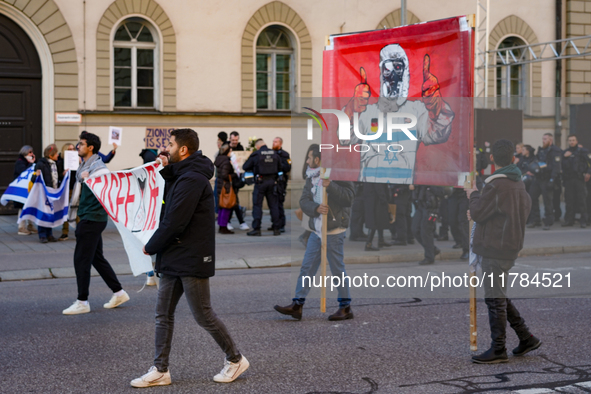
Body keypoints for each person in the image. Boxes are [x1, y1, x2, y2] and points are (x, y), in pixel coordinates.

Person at [133, 129, 248, 388]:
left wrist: (151, 246)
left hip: (191, 254)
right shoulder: (184, 174)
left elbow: (175, 220)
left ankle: (236, 359)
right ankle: (161, 369)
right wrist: (165, 165)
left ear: (183, 150)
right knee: (163, 314)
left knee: (203, 315)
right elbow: (171, 194)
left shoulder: (193, 179)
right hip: (175, 253)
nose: (167, 147)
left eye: (171, 145)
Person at [465, 139, 541, 364]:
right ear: (513, 158)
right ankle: (526, 337)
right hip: (509, 245)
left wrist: (473, 194)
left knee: (494, 299)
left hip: (495, 247)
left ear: (491, 159)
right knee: (499, 295)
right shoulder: (518, 181)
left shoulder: (497, 184)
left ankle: (498, 349)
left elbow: (478, 212)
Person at [274, 145, 355, 321]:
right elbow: (304, 200)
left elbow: (348, 197)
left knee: (337, 269)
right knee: (307, 266)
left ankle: (345, 306)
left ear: (318, 159)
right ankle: (297, 304)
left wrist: (330, 185)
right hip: (317, 229)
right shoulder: (311, 176)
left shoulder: (338, 171)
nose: (307, 161)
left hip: (334, 229)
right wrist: (316, 208)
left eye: (309, 158)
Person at [62, 132, 130, 315]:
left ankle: (82, 301)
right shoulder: (87, 165)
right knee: (95, 258)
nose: (78, 146)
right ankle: (119, 292)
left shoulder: (99, 168)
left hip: (91, 218)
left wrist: (87, 179)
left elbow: (105, 193)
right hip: (90, 217)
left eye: (81, 144)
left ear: (90, 147)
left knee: (81, 259)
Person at [243, 139, 282, 236]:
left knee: (257, 205)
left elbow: (245, 166)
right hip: (273, 182)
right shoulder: (274, 153)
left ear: (257, 146)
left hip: (260, 182)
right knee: (274, 205)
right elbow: (281, 167)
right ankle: (276, 228)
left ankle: (257, 229)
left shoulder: (256, 154)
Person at [528, 133, 562, 230]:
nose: (543, 140)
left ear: (550, 140)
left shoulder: (555, 150)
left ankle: (548, 222)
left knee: (548, 201)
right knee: (532, 197)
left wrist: (552, 179)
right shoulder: (541, 150)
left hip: (547, 178)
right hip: (538, 178)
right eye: (543, 139)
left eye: (545, 139)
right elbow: (537, 161)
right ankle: (536, 220)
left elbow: (556, 166)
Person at [32, 144, 64, 243]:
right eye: (56, 153)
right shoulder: (41, 164)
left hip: (52, 192)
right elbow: (33, 179)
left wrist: (63, 175)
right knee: (43, 213)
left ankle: (49, 234)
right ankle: (42, 235)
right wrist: (35, 175)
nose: (58, 155)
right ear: (50, 155)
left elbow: (56, 177)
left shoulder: (54, 164)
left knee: (50, 213)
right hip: (43, 192)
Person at [561, 135, 590, 228]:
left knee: (581, 201)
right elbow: (559, 164)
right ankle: (569, 220)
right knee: (569, 201)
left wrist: (589, 173)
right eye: (570, 140)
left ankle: (584, 221)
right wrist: (564, 157)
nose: (572, 142)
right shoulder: (565, 152)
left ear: (576, 141)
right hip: (569, 179)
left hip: (579, 179)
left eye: (573, 140)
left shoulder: (583, 151)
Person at [412, 185, 443, 265]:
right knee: (415, 229)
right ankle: (432, 249)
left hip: (431, 207)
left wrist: (429, 186)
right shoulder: (421, 177)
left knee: (426, 231)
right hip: (421, 205)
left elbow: (441, 192)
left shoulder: (435, 177)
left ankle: (429, 257)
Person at [13, 145, 37, 235]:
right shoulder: (20, 162)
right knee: (22, 207)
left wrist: (32, 162)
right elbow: (25, 173)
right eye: (30, 152)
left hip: (29, 188)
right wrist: (31, 163)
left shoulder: (28, 161)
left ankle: (30, 225)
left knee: (30, 206)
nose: (32, 154)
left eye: (32, 152)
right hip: (22, 189)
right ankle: (21, 227)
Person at [215, 143, 238, 234]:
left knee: (222, 206)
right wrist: (234, 175)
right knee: (226, 206)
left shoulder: (220, 160)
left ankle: (221, 225)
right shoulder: (226, 161)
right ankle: (223, 226)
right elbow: (225, 175)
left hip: (220, 186)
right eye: (230, 151)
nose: (231, 152)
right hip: (226, 187)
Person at [270, 137, 291, 233]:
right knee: (272, 204)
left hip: (280, 183)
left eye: (276, 142)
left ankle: (281, 224)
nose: (274, 143)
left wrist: (277, 164)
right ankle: (275, 223)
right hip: (271, 181)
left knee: (279, 203)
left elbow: (288, 167)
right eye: (273, 141)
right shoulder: (270, 153)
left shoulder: (285, 154)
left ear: (280, 144)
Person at [363, 183, 393, 251]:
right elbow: (379, 188)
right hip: (376, 201)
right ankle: (369, 243)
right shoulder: (376, 175)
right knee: (375, 222)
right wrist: (384, 199)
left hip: (373, 200)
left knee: (379, 220)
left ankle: (381, 240)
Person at [448, 187, 470, 260]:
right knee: (452, 220)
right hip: (454, 193)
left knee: (463, 222)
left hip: (465, 194)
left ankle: (467, 249)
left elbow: (476, 180)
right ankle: (459, 241)